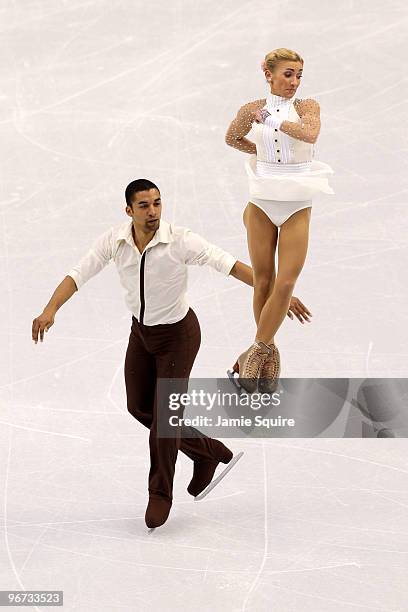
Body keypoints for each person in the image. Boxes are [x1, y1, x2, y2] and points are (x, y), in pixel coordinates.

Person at [31, 178, 312, 529]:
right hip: (142, 334)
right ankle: (208, 452)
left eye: (158, 203)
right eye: (145, 206)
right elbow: (78, 273)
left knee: (166, 417)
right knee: (140, 407)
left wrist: (277, 296)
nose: (153, 211)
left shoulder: (180, 240)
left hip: (179, 336)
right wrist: (50, 310)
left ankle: (160, 495)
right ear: (129, 210)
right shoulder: (115, 241)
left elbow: (230, 264)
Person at [225, 47, 334, 393]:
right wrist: (261, 152)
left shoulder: (307, 107)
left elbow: (310, 134)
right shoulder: (249, 109)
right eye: (288, 74)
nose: (294, 82)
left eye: (299, 74)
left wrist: (270, 121)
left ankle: (254, 352)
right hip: (261, 201)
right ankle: (268, 353)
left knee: (286, 283)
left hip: (296, 203)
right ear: (268, 73)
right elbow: (231, 138)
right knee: (263, 281)